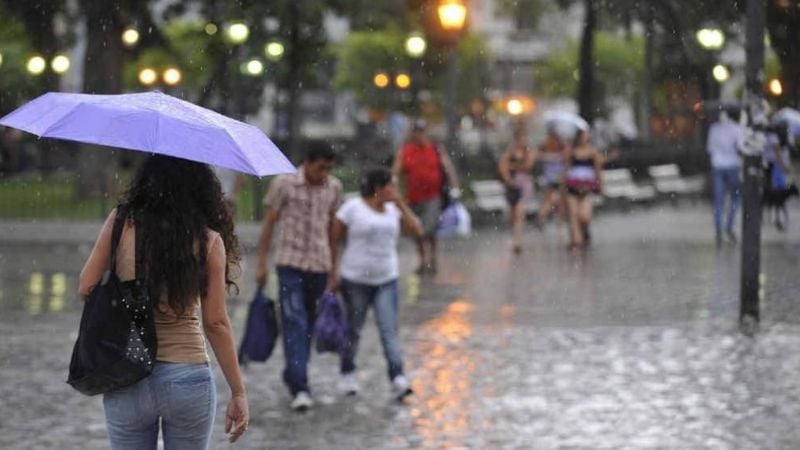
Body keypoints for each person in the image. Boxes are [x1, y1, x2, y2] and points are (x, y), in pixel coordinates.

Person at [78, 155, 249, 449]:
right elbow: (216, 323)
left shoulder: (121, 222)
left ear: (146, 180)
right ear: (201, 186)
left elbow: (87, 286)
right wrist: (238, 392)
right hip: (187, 376)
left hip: (127, 371)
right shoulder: (209, 240)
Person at [255, 146, 342, 411]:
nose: (324, 174)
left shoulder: (334, 188)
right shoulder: (284, 183)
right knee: (294, 321)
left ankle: (293, 373)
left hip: (319, 265)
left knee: (308, 327)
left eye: (329, 168)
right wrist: (261, 262)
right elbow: (269, 223)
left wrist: (334, 270)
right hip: (289, 265)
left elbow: (332, 229)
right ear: (307, 163)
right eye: (320, 168)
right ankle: (300, 385)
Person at [330, 167, 423, 400]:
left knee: (389, 329)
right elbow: (334, 239)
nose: (395, 189)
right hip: (355, 279)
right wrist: (333, 274)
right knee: (354, 328)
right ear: (377, 188)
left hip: (386, 278)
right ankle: (348, 372)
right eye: (391, 185)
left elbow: (416, 230)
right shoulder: (352, 208)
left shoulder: (393, 210)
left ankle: (398, 376)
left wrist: (401, 204)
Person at [392, 119, 459, 274]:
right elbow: (396, 172)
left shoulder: (435, 149)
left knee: (429, 228)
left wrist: (454, 188)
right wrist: (396, 192)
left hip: (433, 197)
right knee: (418, 230)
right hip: (413, 197)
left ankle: (432, 258)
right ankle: (423, 259)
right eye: (417, 131)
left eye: (422, 131)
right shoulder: (406, 151)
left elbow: (447, 168)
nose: (420, 135)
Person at [706, 109, 744, 245]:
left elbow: (710, 149)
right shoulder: (736, 129)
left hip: (717, 166)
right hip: (732, 166)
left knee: (719, 200)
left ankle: (718, 230)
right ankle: (729, 226)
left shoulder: (713, 129)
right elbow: (740, 148)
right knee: (736, 197)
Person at [563, 130, 604, 250]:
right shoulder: (571, 152)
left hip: (587, 186)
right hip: (573, 185)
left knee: (584, 216)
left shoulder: (592, 152)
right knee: (573, 214)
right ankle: (576, 239)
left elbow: (598, 170)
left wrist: (600, 185)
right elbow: (566, 168)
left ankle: (584, 231)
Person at [498, 129, 537, 253]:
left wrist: (512, 166)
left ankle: (518, 241)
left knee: (520, 213)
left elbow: (528, 166)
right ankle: (514, 236)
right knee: (513, 214)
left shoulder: (529, 151)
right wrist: (508, 178)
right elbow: (502, 166)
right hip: (512, 185)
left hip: (524, 185)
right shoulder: (510, 151)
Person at [536, 129, 568, 228]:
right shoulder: (548, 151)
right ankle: (544, 217)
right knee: (554, 200)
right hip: (554, 178)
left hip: (554, 178)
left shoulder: (551, 151)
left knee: (556, 200)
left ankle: (545, 217)